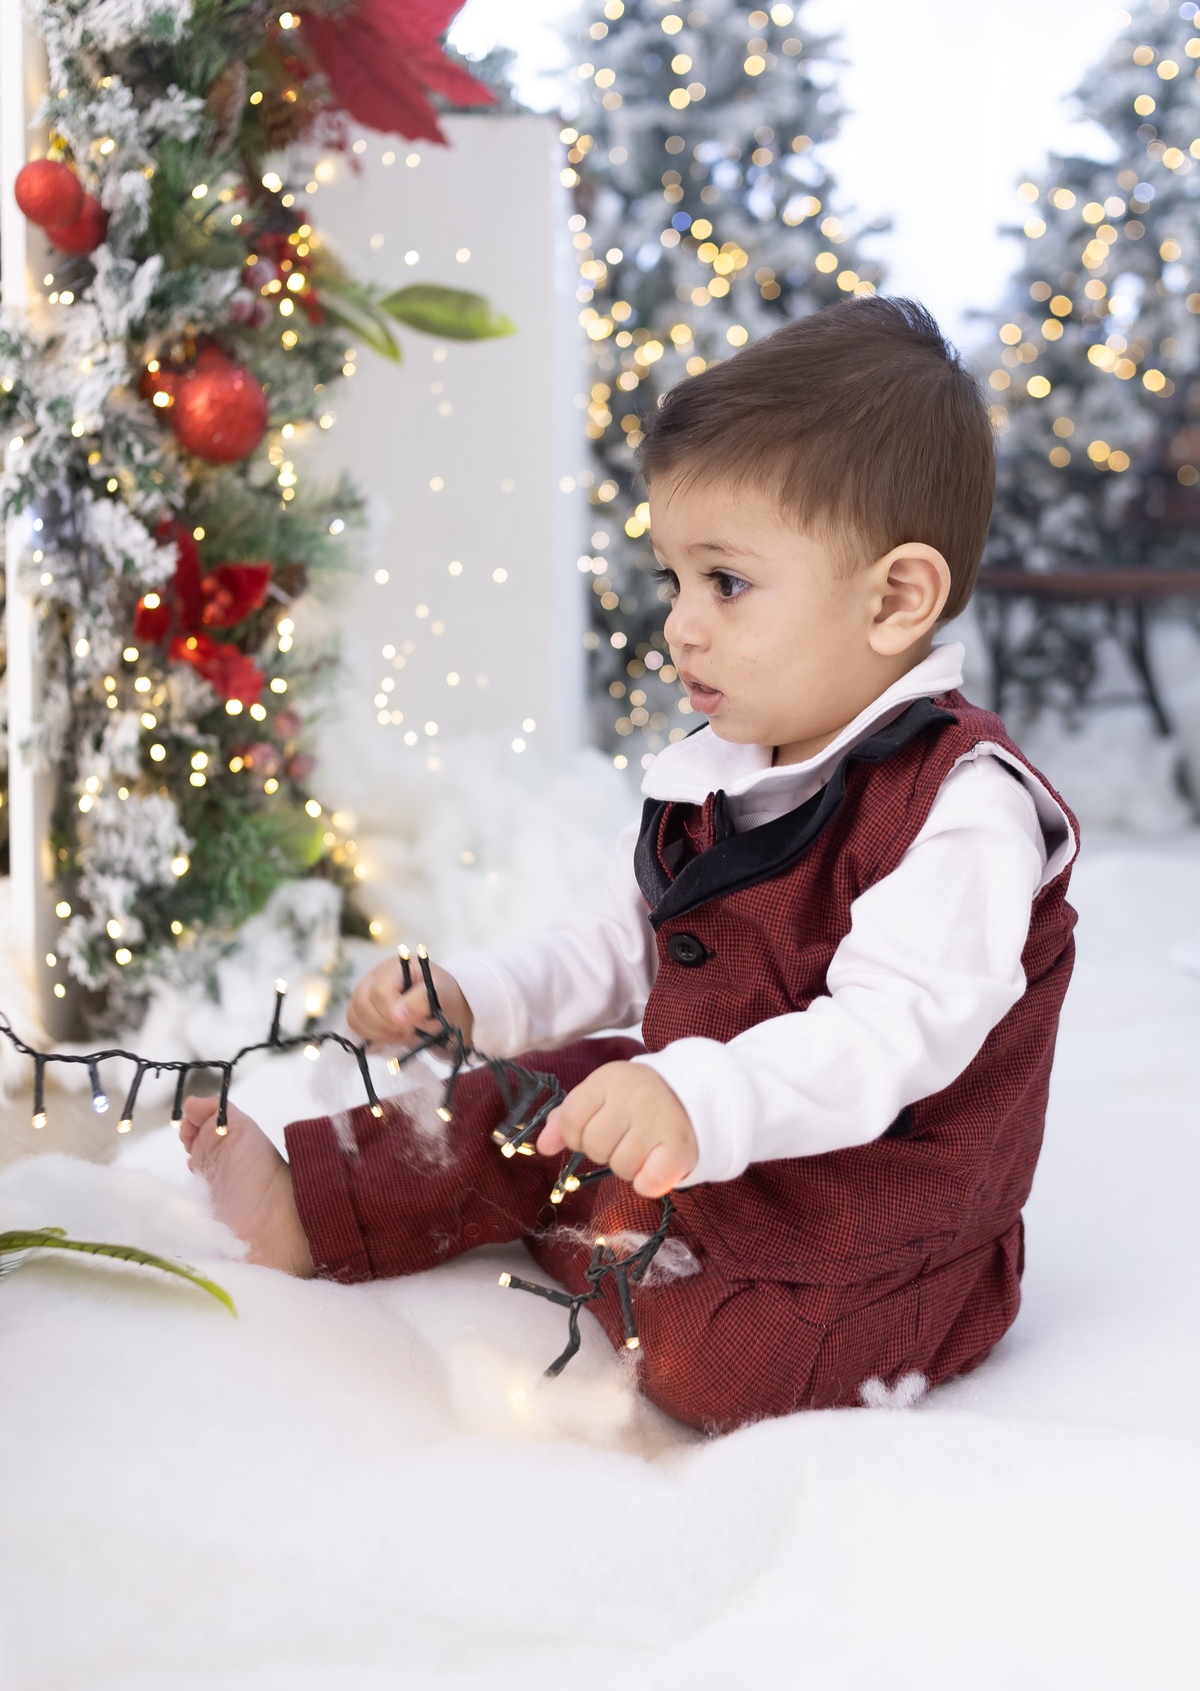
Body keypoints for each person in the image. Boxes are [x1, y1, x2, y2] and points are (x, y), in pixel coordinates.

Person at [181, 296, 1078, 1434]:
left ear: (896, 598)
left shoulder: (963, 809)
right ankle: (311, 1203)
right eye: (674, 582)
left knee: (733, 1367)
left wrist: (693, 1094)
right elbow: (619, 943)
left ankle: (624, 1249)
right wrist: (479, 995)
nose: (681, 630)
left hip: (870, 1216)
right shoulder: (715, 768)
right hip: (695, 1134)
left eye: (727, 583)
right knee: (531, 1095)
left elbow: (886, 1039)